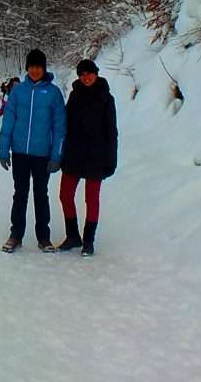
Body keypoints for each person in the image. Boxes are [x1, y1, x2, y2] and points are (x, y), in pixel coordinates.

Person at [0, 49, 66, 253]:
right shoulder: (18, 92)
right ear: (27, 68)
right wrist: (3, 149)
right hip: (19, 153)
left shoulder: (53, 93)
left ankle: (44, 238)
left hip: (42, 154)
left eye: (39, 66)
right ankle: (15, 235)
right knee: (20, 194)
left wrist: (56, 155)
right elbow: (8, 121)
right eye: (32, 66)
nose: (35, 70)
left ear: (44, 68)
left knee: (40, 194)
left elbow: (60, 127)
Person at [58, 59, 117, 257]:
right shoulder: (74, 95)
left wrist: (111, 159)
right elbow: (65, 124)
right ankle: (72, 235)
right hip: (74, 153)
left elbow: (111, 132)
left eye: (89, 73)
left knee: (91, 199)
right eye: (82, 74)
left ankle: (88, 240)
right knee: (65, 195)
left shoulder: (106, 98)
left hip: (96, 155)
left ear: (96, 73)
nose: (86, 77)